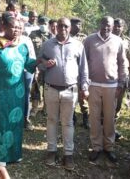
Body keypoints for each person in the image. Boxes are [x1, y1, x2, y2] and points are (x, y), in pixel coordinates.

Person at [0, 13, 36, 166]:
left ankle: (14, 153)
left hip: (17, 93)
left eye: (19, 27)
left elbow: (29, 66)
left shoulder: (22, 46)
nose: (16, 30)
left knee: (16, 122)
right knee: (0, 121)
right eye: (13, 27)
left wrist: (43, 62)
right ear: (3, 27)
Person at [38, 17, 89, 170]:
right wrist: (45, 65)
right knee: (52, 120)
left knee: (68, 123)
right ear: (56, 27)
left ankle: (68, 154)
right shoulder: (47, 45)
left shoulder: (78, 45)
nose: (63, 29)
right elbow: (39, 64)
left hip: (70, 90)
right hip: (51, 89)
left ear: (70, 28)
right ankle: (51, 151)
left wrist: (84, 86)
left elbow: (83, 68)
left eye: (66, 26)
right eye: (60, 26)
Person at [83, 16, 128, 164]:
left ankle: (109, 147)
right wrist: (84, 84)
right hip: (93, 85)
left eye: (109, 25)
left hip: (112, 85)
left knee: (109, 118)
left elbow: (122, 63)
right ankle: (96, 147)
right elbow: (83, 63)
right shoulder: (89, 40)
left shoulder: (118, 41)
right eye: (103, 24)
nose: (106, 27)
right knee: (94, 117)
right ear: (100, 24)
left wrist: (122, 83)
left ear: (112, 26)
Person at [112, 18, 130, 139]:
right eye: (115, 26)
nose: (117, 28)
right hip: (109, 77)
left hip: (122, 77)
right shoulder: (106, 39)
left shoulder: (127, 41)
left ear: (123, 28)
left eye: (119, 26)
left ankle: (112, 129)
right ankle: (103, 129)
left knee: (118, 105)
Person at [29, 16, 52, 116]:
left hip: (48, 67)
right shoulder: (33, 34)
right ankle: (34, 109)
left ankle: (46, 109)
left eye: (45, 23)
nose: (43, 25)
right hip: (37, 65)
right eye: (41, 23)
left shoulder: (52, 37)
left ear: (48, 25)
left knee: (47, 88)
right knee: (35, 88)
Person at [70, 18, 88, 128]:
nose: (79, 27)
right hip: (71, 71)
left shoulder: (84, 38)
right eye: (77, 25)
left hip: (81, 70)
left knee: (83, 96)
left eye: (80, 25)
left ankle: (86, 118)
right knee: (71, 96)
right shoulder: (65, 37)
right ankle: (72, 117)